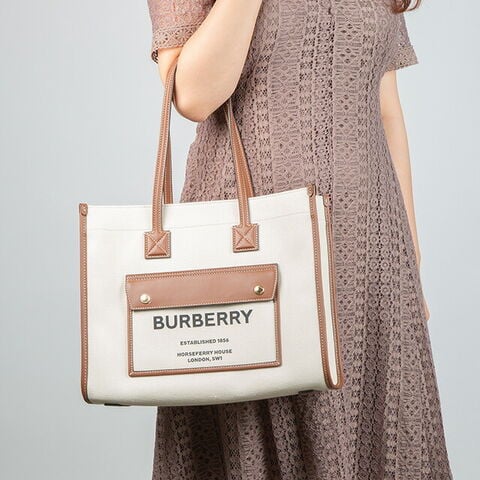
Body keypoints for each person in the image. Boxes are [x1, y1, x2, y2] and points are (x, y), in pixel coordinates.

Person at [146, 1, 453, 478]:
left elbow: (385, 108)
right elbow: (192, 96)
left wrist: (409, 255)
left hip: (368, 247)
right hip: (255, 251)